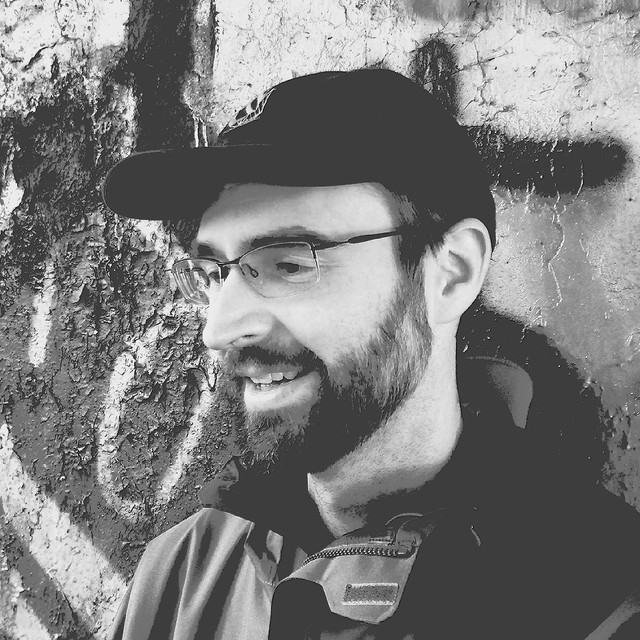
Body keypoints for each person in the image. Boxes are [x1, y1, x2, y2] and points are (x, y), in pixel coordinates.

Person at [102, 68, 640, 640]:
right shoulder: (186, 568)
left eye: (289, 262)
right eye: (212, 273)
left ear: (452, 274)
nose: (220, 328)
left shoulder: (600, 600)